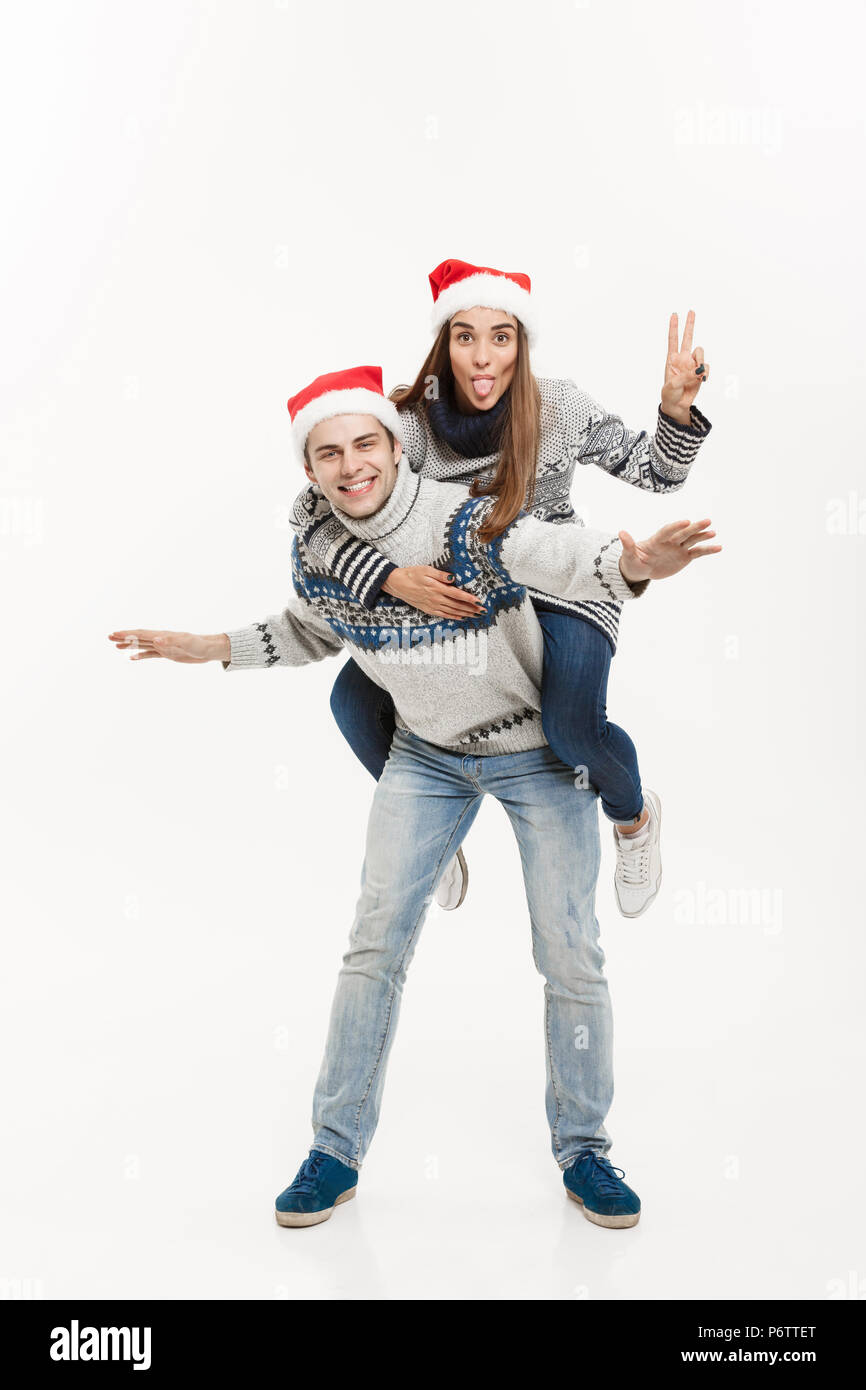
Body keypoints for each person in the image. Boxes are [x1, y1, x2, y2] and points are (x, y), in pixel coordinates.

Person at [108, 365, 721, 1230]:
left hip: (534, 755)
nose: (351, 464)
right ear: (310, 470)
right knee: (373, 948)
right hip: (425, 760)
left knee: (569, 955)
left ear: (397, 450)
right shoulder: (320, 548)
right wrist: (207, 646)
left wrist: (629, 560)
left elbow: (540, 550)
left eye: (365, 444)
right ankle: (334, 1149)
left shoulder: (457, 518)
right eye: (329, 453)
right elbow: (307, 629)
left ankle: (585, 1150)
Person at [288, 259, 713, 918]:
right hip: (464, 597)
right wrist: (392, 577)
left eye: (500, 336)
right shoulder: (408, 424)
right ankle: (435, 837)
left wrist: (674, 411)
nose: (482, 356)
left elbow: (655, 474)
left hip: (563, 581)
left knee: (570, 730)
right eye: (465, 336)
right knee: (352, 700)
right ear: (444, 344)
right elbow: (317, 517)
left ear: (521, 343)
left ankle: (634, 821)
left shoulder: (559, 406)